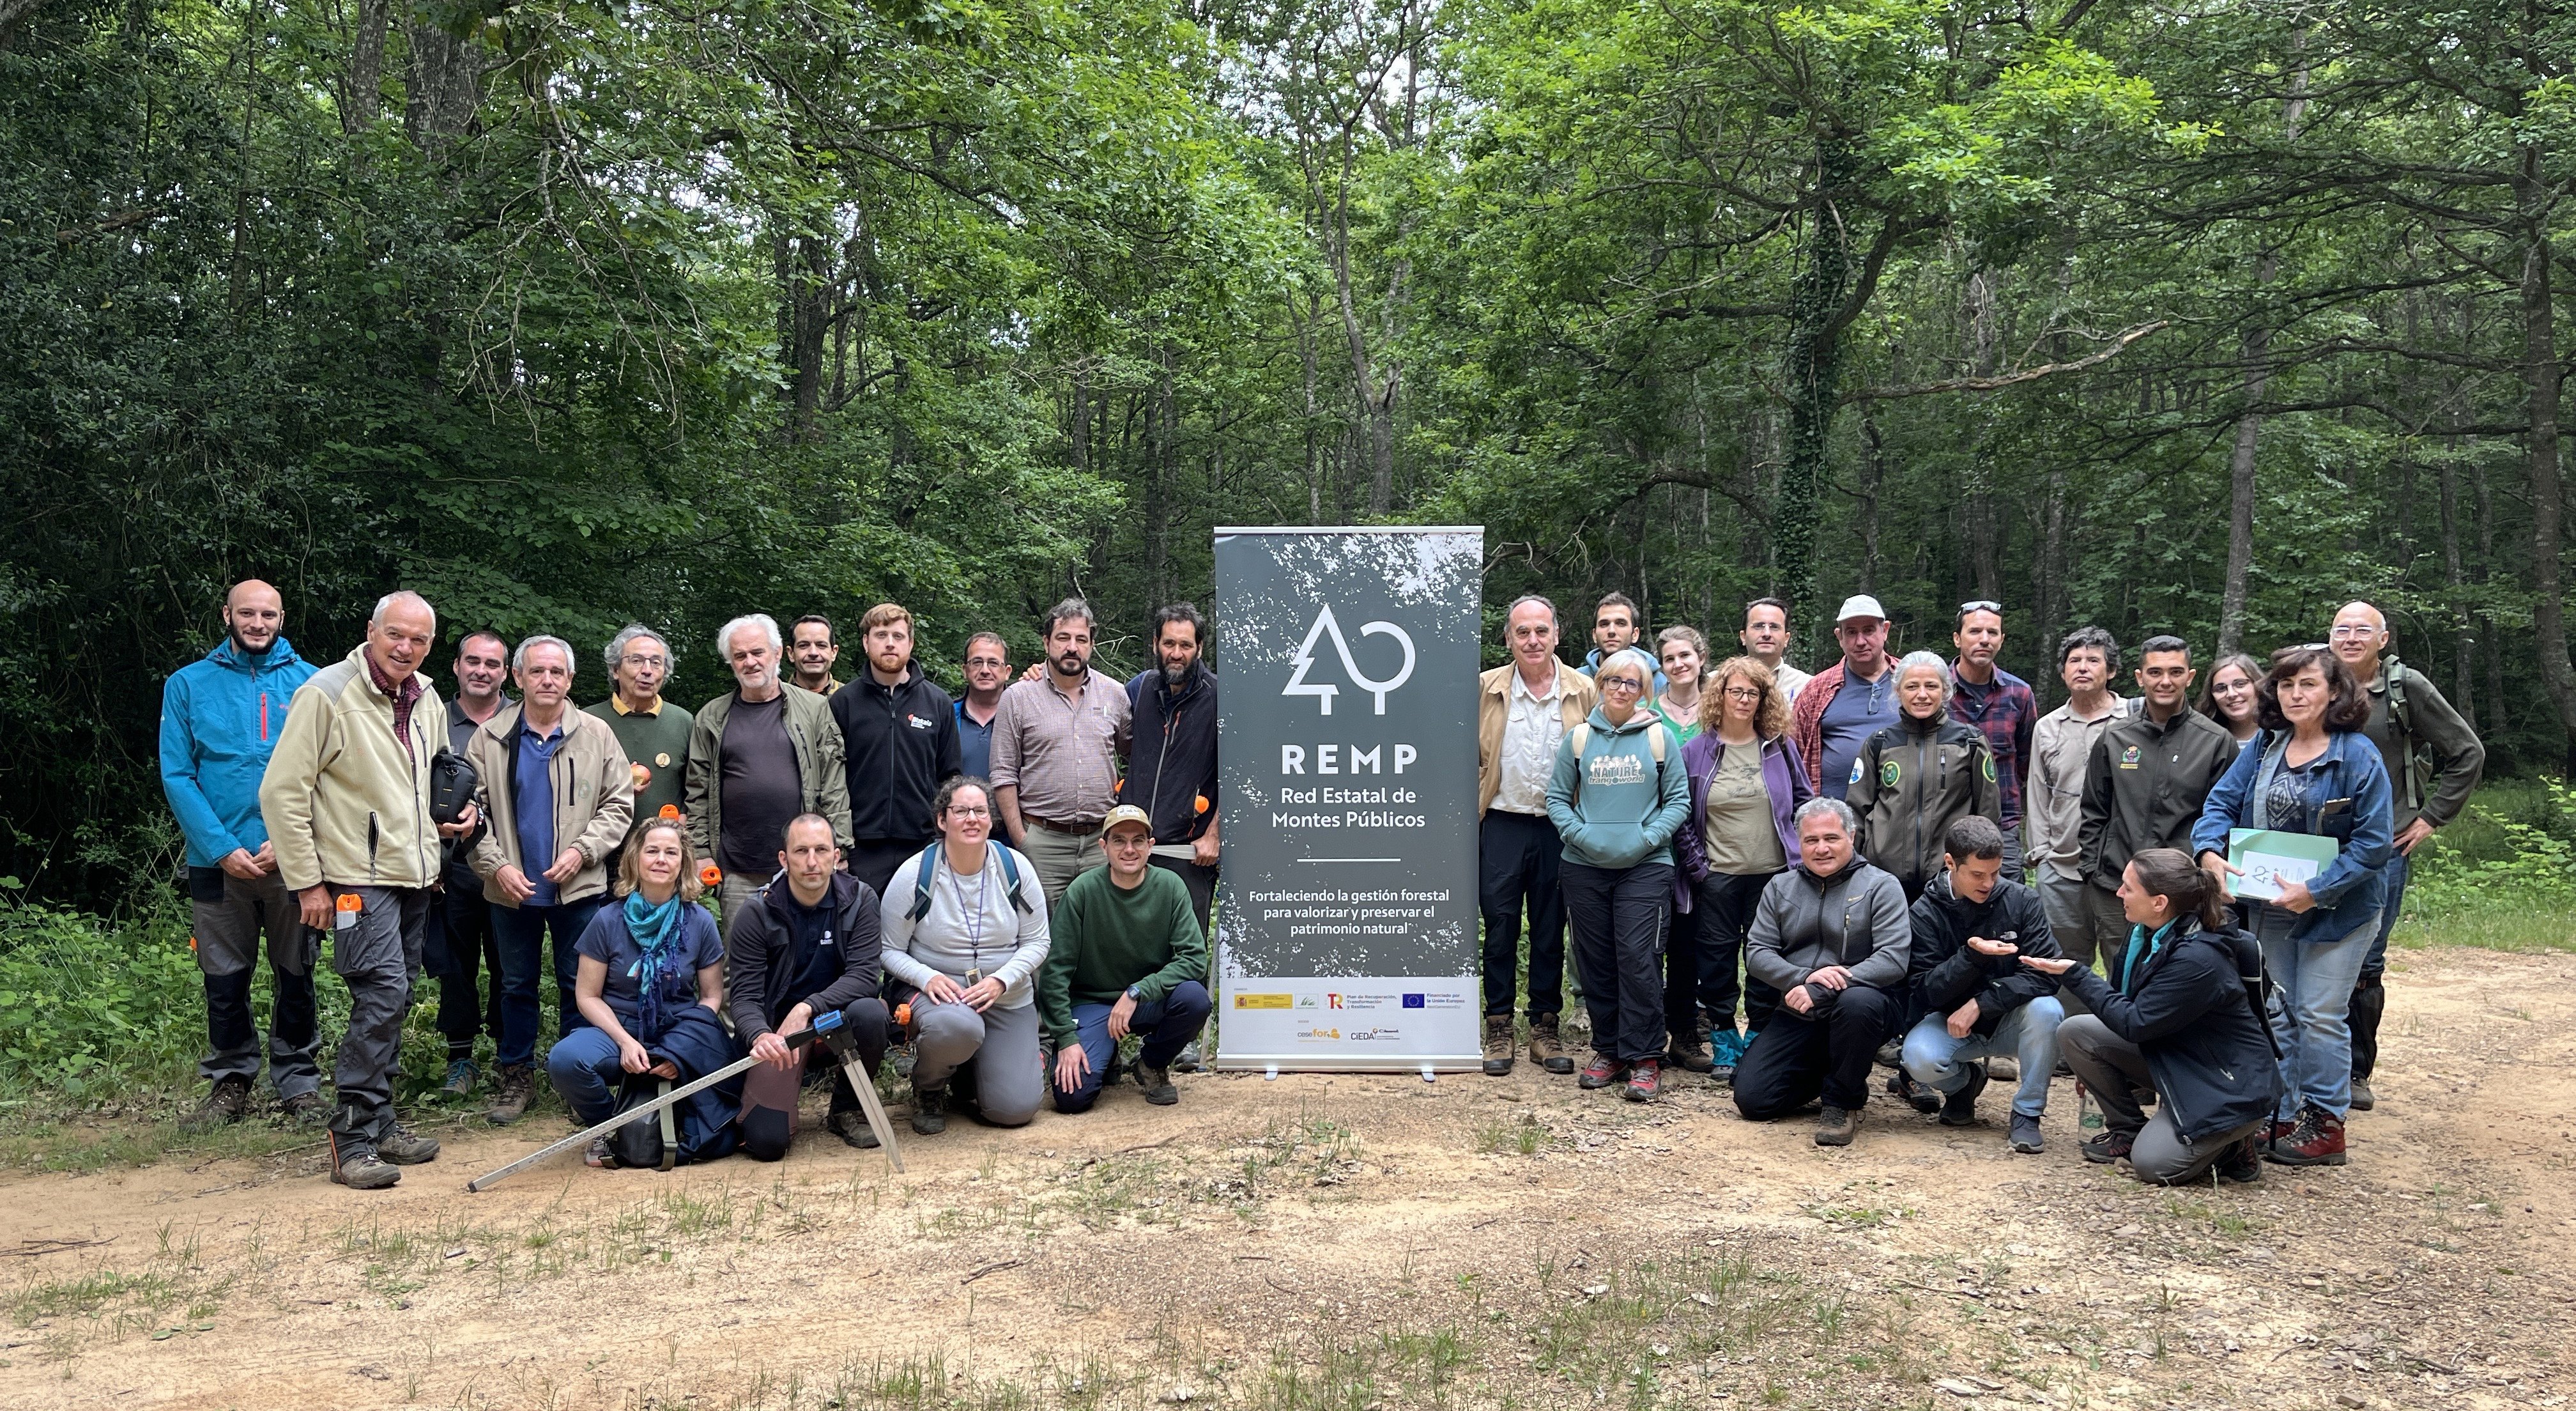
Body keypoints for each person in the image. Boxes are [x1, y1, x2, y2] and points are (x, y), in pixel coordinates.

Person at [261, 590, 477, 1189]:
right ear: (371, 632)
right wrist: (308, 883)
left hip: (415, 875)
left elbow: (438, 775)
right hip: (357, 877)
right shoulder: (327, 693)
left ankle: (381, 1123)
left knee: (397, 996)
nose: (405, 648)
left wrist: (461, 814)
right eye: (395, 635)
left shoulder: (426, 696)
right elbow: (282, 791)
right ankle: (351, 1138)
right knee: (381, 995)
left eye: (419, 640)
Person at [2192, 644, 2394, 1168]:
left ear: (2335, 691)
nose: (2295, 694)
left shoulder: (2358, 756)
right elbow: (2219, 803)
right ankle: (2281, 1113)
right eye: (2286, 685)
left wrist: (2318, 890)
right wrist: (2210, 852)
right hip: (2272, 904)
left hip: (2341, 909)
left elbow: (2375, 845)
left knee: (2319, 1013)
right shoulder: (2265, 745)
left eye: (2308, 684)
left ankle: (2325, 1124)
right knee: (2278, 1010)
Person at [159, 579, 325, 1129]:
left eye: (268, 615)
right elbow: (177, 774)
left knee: (296, 973)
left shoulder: (312, 684)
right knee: (223, 977)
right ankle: (230, 1081)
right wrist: (221, 846)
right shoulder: (187, 684)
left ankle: (299, 1082)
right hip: (215, 863)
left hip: (292, 859)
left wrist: (292, 840)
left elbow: (329, 773)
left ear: (282, 618)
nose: (258, 623)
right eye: (247, 613)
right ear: (227, 615)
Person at [463, 635, 638, 1125]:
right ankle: (516, 1075)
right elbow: (471, 813)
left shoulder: (597, 734)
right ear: (518, 677)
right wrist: (496, 866)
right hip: (510, 889)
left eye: (556, 672)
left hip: (578, 888)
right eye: (537, 671)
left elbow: (619, 803)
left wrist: (583, 851)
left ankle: (576, 1076)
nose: (547, 680)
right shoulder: (490, 738)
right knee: (514, 985)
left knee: (578, 984)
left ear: (570, 679)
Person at [2023, 849, 2276, 1185]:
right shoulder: (2145, 933)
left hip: (2225, 1084)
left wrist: (2077, 974)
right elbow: (2119, 1008)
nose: (2118, 893)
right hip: (2180, 1059)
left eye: (2128, 888)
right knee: (2077, 1032)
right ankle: (2128, 1131)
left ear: (2159, 902)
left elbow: (2135, 1024)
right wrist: (2097, 1069)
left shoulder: (2197, 958)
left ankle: (2232, 1141)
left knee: (2153, 1165)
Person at [2327, 601, 2486, 1111]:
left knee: (2366, 959)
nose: (2351, 638)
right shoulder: (2314, 680)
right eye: (2342, 629)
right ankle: (2307, 1066)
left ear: (2384, 639)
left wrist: (2431, 817)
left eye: (2363, 630)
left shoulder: (2404, 687)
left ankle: (2355, 1072)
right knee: (2303, 952)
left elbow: (2468, 752)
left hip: (2383, 844)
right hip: (2313, 845)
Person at [545, 817, 739, 1169]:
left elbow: (711, 997)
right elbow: (587, 996)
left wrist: (680, 1051)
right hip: (617, 1027)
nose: (661, 859)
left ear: (683, 863)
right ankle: (607, 1127)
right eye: (652, 851)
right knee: (565, 1060)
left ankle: (672, 1122)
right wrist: (624, 1041)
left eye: (671, 852)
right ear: (635, 859)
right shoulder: (607, 919)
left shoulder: (700, 921)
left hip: (678, 1029)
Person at [1549, 649, 1691, 1102]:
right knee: (1595, 960)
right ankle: (1609, 1049)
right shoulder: (1578, 739)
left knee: (1638, 957)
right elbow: (1556, 799)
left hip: (1646, 866)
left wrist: (1648, 838)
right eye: (1614, 680)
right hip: (1584, 866)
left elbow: (1679, 801)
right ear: (1601, 684)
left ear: (1644, 690)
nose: (1622, 689)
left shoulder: (1659, 738)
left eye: (1632, 683)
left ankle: (1645, 1057)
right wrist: (1581, 836)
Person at [1733, 799, 1911, 1145]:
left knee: (1858, 1004)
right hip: (1800, 1008)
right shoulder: (1780, 887)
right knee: (1754, 1100)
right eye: (1811, 840)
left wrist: (1826, 987)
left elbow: (1893, 959)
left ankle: (1842, 1102)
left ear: (1852, 837)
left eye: (1831, 838)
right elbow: (1757, 953)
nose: (1822, 848)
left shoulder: (1881, 886)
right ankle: (1841, 1072)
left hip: (1863, 1006)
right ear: (1798, 843)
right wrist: (1802, 978)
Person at [2078, 635, 2239, 1009]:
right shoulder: (2115, 737)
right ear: (2140, 677)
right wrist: (2093, 868)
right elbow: (2094, 810)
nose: (2165, 681)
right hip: (2118, 884)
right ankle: (2115, 1043)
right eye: (2155, 672)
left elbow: (2225, 817)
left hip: (2184, 892)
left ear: (2190, 677)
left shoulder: (2216, 742)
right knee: (2122, 980)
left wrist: (2204, 880)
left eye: (2175, 672)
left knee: (2175, 986)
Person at [1476, 595, 1601, 1076]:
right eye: (1522, 632)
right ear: (1509, 638)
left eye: (1541, 631)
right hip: (1501, 823)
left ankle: (1545, 1030)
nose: (1533, 640)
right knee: (1500, 926)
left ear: (1556, 635)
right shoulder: (1485, 687)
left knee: (1551, 929)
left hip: (1560, 827)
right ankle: (1499, 1025)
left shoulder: (1584, 690)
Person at [882, 778, 1052, 1132]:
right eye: (960, 811)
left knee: (1014, 1110)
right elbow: (888, 950)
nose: (971, 819)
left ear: (991, 820)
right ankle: (929, 1087)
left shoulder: (1015, 868)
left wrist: (1001, 980)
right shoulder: (915, 874)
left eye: (980, 811)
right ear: (942, 820)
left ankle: (968, 1073)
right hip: (942, 998)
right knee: (958, 1027)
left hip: (1006, 997)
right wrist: (926, 977)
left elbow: (1038, 941)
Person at [1673, 656, 1813, 1084]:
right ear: (1720, 695)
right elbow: (1680, 816)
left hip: (1775, 877)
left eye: (1754, 693)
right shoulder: (1696, 752)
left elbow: (1805, 802)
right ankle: (1724, 1041)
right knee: (1715, 960)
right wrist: (1700, 869)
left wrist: (1800, 858)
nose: (1745, 699)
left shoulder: (1780, 747)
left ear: (1764, 699)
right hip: (1717, 877)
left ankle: (1758, 1039)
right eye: (1736, 691)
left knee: (1764, 960)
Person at [1896, 817, 2066, 1153]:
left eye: (1995, 873)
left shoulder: (2022, 900)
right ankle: (1963, 1085)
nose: (1988, 883)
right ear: (1950, 863)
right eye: (1977, 874)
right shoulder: (1924, 912)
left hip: (2012, 1019)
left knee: (2049, 1010)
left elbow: (2046, 973)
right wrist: (1971, 957)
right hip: (1950, 1022)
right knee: (1918, 1058)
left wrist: (1982, 1004)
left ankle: (2027, 1113)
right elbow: (1925, 989)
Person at [730, 813, 893, 1157]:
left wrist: (807, 1007)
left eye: (821, 850)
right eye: (801, 851)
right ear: (784, 859)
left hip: (837, 1022)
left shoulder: (861, 900)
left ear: (836, 856)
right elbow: (744, 998)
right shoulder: (756, 912)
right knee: (766, 1143)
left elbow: (865, 976)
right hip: (781, 1034)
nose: (812, 861)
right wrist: (760, 1036)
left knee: (871, 1012)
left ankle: (847, 1109)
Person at [686, 613, 853, 933]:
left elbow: (834, 784)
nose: (750, 662)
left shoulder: (814, 709)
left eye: (757, 652)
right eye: (740, 656)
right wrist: (702, 852)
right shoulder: (712, 716)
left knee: (807, 952)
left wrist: (840, 847)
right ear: (731, 662)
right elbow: (698, 792)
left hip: (805, 864)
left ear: (777, 654)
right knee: (741, 956)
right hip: (738, 868)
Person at [1041, 805, 1212, 1111]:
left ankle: (1151, 1064)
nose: (1129, 850)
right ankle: (1104, 1054)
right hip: (1093, 1002)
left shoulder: (1171, 886)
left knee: (1194, 999)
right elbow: (1056, 971)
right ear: (1103, 846)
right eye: (1119, 840)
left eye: (1138, 840)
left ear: (1151, 846)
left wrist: (1138, 991)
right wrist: (1066, 1039)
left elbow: (1194, 958)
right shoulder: (1082, 891)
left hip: (1146, 1001)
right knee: (1072, 1099)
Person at [991, 599, 1133, 907]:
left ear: (1091, 645)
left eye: (1081, 639)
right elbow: (1003, 773)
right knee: (1043, 929)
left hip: (1101, 842)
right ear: (1046, 642)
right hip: (1042, 842)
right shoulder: (1018, 697)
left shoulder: (1115, 694)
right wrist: (1022, 839)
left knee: (1100, 926)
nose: (1072, 647)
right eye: (1063, 638)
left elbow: (1136, 756)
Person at [1844, 652, 2002, 903]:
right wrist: (1854, 868)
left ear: (1946, 690)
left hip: (1949, 880)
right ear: (1898, 691)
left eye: (1931, 686)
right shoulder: (1880, 743)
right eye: (1912, 687)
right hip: (1884, 879)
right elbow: (1856, 812)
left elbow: (1988, 814)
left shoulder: (1969, 742)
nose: (1922, 695)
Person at [829, 603, 963, 896]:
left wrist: (945, 833)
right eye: (881, 635)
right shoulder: (843, 703)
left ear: (911, 643)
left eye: (898, 636)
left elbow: (951, 775)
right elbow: (831, 779)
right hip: (861, 846)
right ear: (866, 643)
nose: (890, 643)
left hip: (923, 843)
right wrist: (839, 842)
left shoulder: (938, 702)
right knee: (863, 923)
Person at [2027, 628, 2128, 1015]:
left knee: (2124, 957)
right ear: (2063, 671)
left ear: (2111, 670)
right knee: (2065, 961)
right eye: (2074, 661)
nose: (2082, 667)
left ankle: (2123, 1036)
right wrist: (2041, 854)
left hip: (2121, 868)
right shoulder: (2047, 727)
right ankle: (2071, 1038)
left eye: (2093, 660)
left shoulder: (2134, 718)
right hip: (2061, 866)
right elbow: (2038, 794)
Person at [432, 631, 510, 1099]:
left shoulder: (523, 719)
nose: (482, 671)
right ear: (457, 666)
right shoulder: (432, 719)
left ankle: (509, 1057)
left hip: (508, 863)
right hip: (451, 865)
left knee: (509, 963)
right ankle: (460, 1058)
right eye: (473, 661)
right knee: (455, 965)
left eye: (492, 664)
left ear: (507, 673)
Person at [1123, 604, 1221, 929]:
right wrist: (1040, 673)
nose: (1176, 654)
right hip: (1133, 849)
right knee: (1131, 948)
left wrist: (1214, 835)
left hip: (1188, 855)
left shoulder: (1221, 698)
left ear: (1200, 648)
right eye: (1169, 643)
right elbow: (1088, 699)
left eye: (1186, 645)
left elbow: (1243, 774)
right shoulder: (1140, 689)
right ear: (1155, 644)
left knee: (1186, 949)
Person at [1948, 602, 2039, 878]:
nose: (1984, 639)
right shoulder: (1936, 692)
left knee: (2007, 896)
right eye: (1975, 631)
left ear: (2002, 639)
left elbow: (2026, 759)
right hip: (1945, 822)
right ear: (1957, 638)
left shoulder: (2019, 694)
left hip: (2003, 823)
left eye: (1993, 632)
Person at [1788, 596, 1901, 799]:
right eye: (1851, 632)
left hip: (1902, 811)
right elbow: (1793, 756)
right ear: (1839, 636)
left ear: (1885, 630)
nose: (1860, 641)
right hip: (1833, 814)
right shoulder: (1817, 690)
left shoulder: (1911, 681)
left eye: (1868, 630)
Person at [588, 625, 693, 829]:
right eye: (636, 661)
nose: (647, 671)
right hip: (601, 844)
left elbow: (699, 789)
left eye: (656, 663)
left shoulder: (683, 722)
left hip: (665, 845)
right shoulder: (589, 721)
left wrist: (686, 818)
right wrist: (616, 786)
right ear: (615, 670)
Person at [954, 633, 1012, 781]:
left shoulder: (1022, 716)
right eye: (977, 662)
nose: (985, 670)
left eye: (993, 663)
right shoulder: (947, 715)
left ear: (1007, 672)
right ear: (965, 670)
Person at [1580, 592, 1666, 691]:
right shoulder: (1577, 680)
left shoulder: (1658, 683)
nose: (1611, 631)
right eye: (1604, 624)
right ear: (1594, 635)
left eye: (1621, 624)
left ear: (1635, 634)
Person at [1740, 598, 1811, 702]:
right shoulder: (1719, 682)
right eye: (1758, 626)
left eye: (1774, 627)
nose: (1766, 634)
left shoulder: (1807, 686)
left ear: (1786, 639)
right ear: (1743, 637)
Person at [1652, 626, 1708, 743]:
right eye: (1670, 659)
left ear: (1701, 658)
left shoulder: (1720, 710)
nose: (1678, 665)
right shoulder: (1646, 712)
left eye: (1684, 655)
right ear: (1662, 666)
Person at [2196, 652, 2264, 747]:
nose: (2231, 694)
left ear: (2258, 685)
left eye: (2240, 684)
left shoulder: (2281, 736)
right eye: (2221, 688)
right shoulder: (2202, 741)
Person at [788, 613, 843, 695]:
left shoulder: (850, 698)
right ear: (791, 653)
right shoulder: (776, 698)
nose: (813, 653)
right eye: (804, 645)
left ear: (834, 653)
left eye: (821, 645)